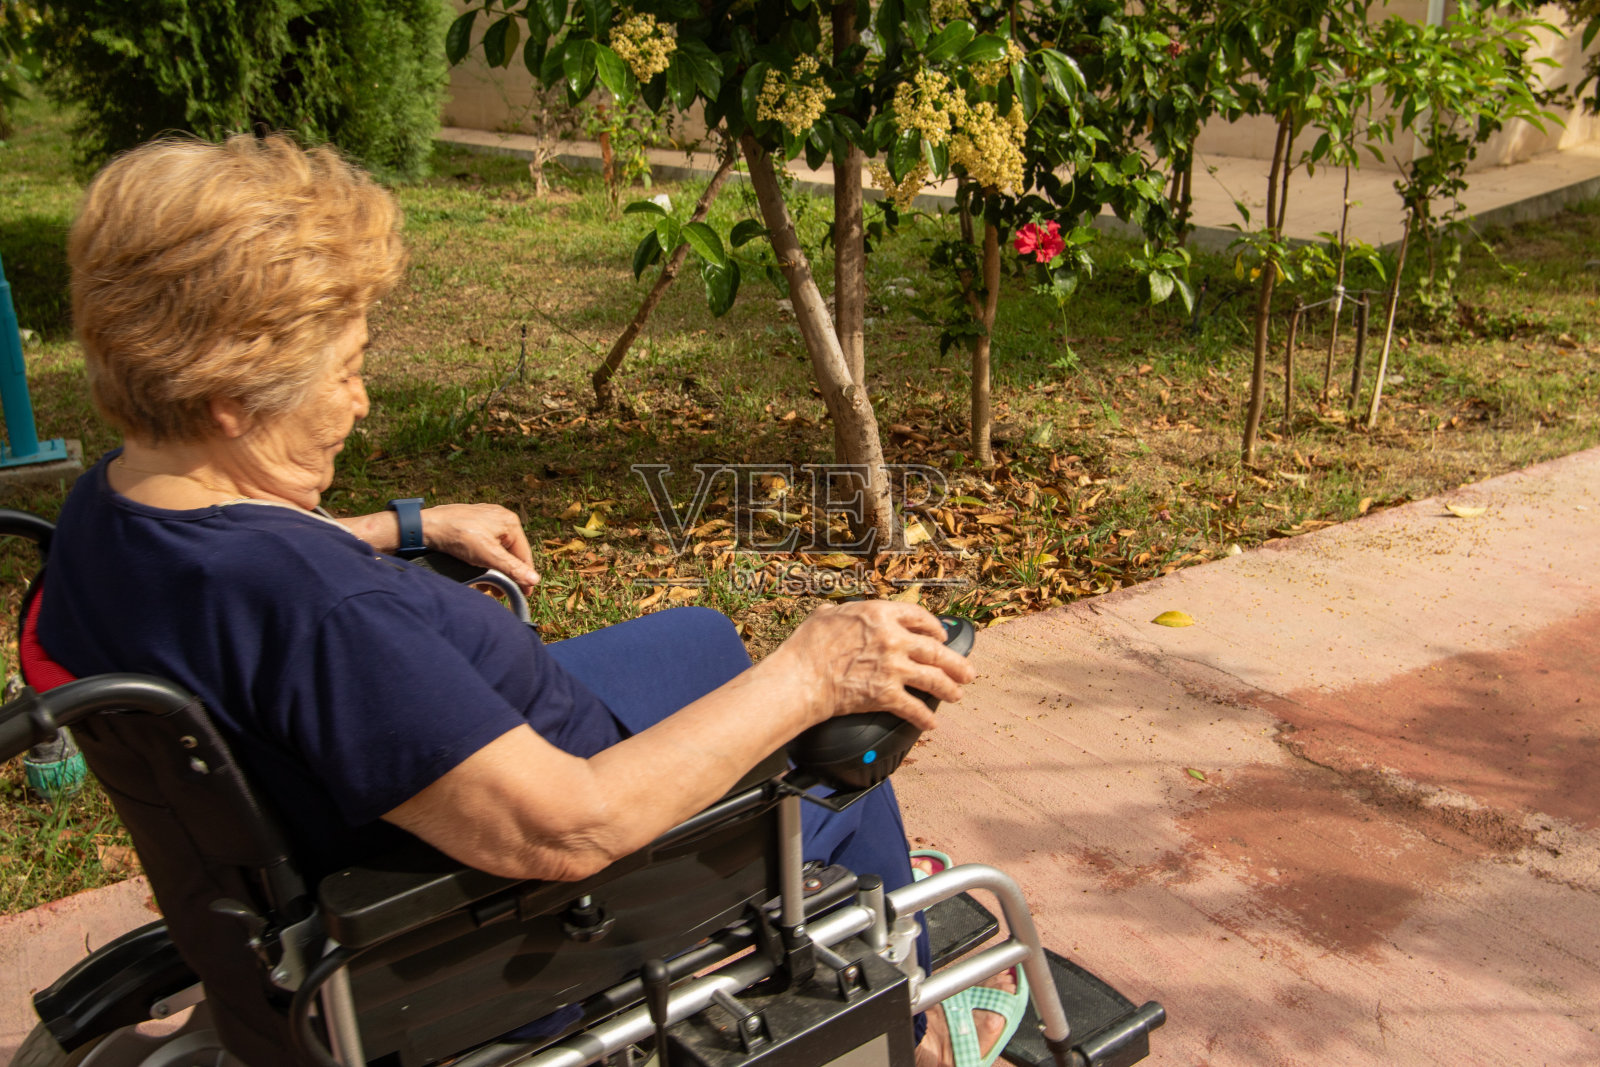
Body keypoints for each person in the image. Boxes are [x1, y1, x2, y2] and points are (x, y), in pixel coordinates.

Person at [39, 133, 1017, 1067]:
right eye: (345, 373)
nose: (361, 401)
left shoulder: (115, 506)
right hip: (542, 874)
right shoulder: (327, 620)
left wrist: (402, 527)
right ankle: (917, 1021)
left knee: (703, 635)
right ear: (229, 404)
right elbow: (564, 829)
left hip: (448, 743)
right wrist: (811, 674)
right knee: (852, 737)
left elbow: (237, 586)